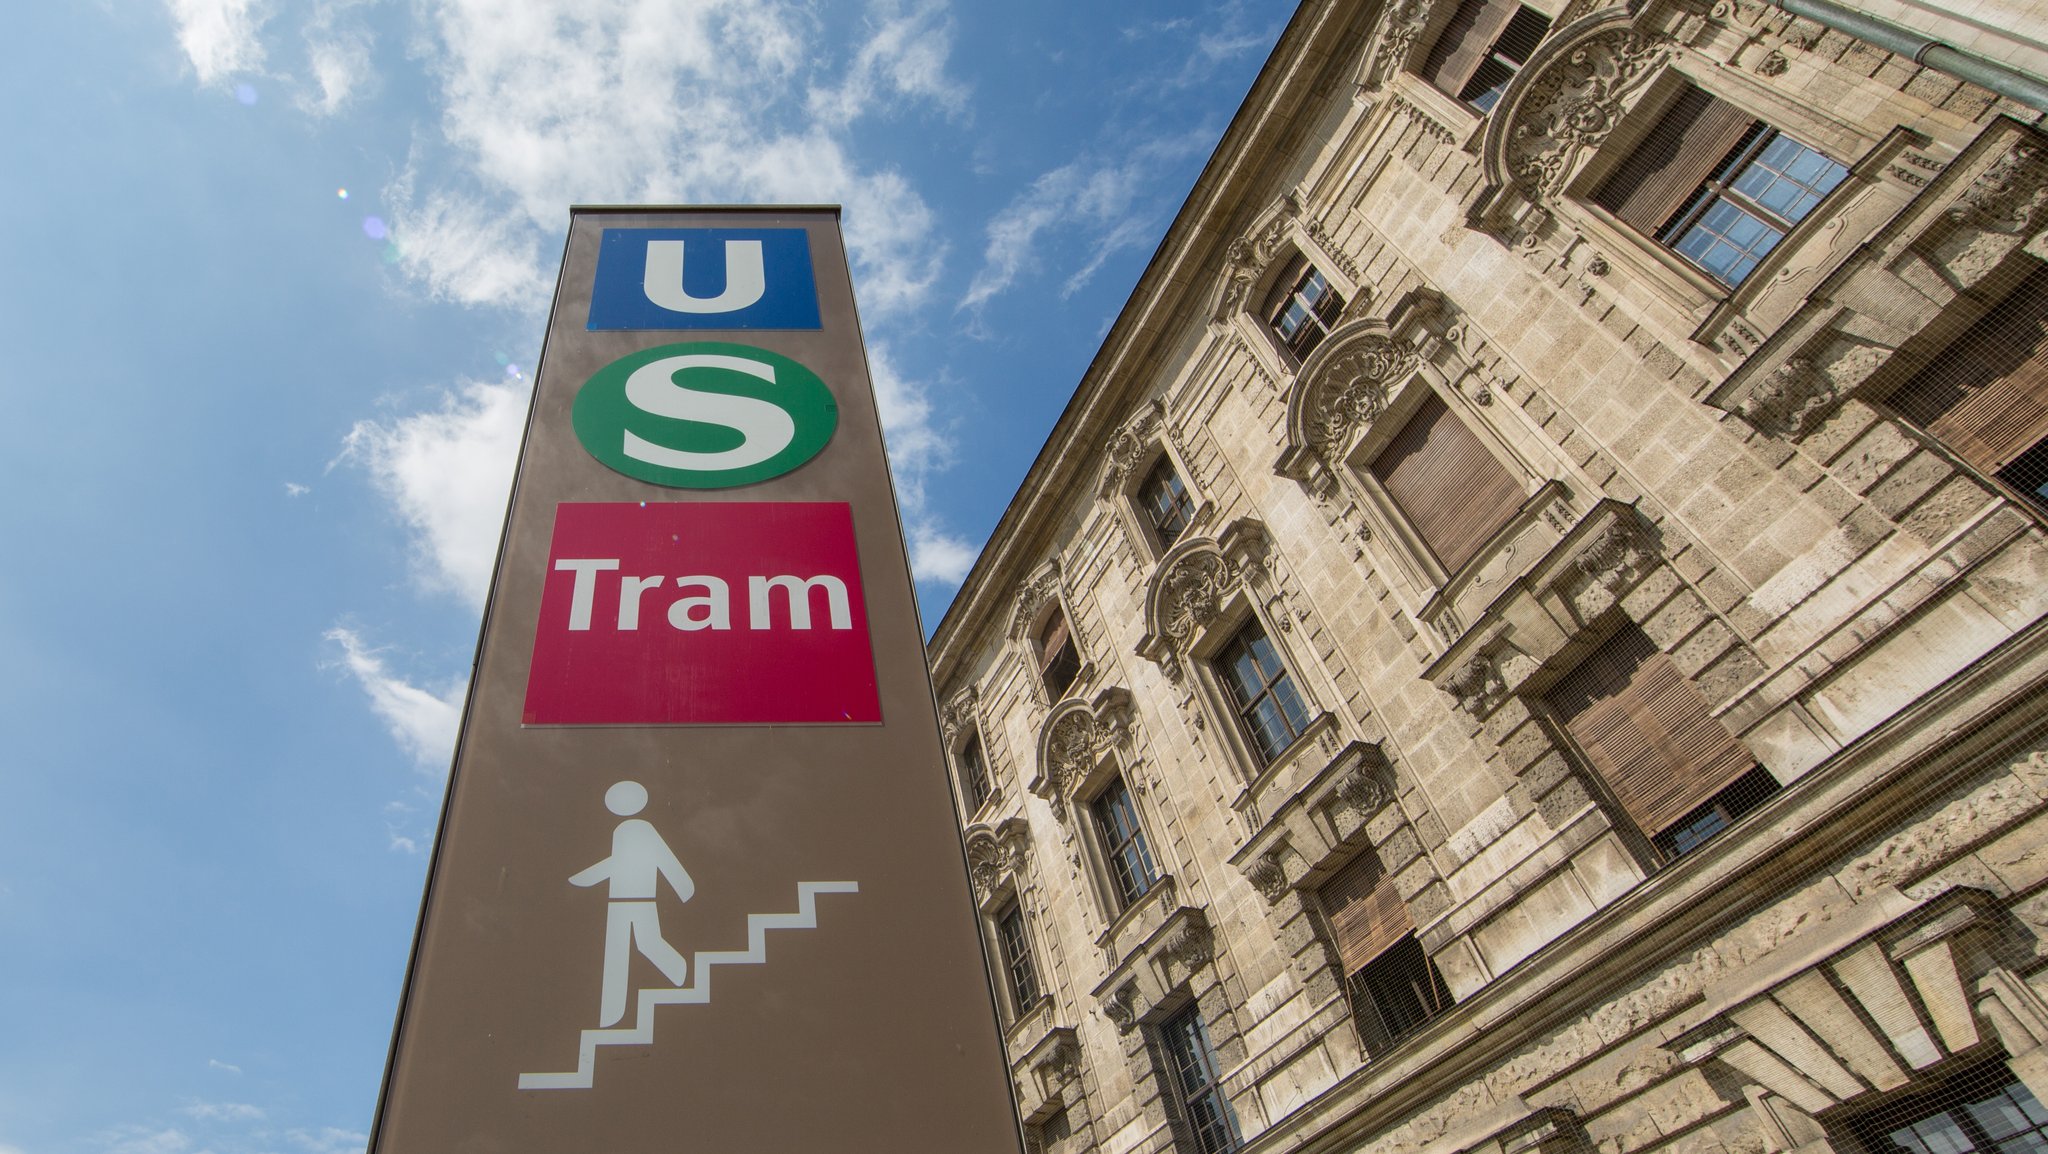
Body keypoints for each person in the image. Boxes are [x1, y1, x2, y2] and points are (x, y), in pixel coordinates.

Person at [569, 780, 694, 1027]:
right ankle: (611, 1013)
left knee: (643, 945)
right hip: (622, 901)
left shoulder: (635, 830)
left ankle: (680, 972)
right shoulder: (626, 830)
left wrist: (587, 878)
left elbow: (644, 860)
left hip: (635, 900)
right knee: (622, 951)